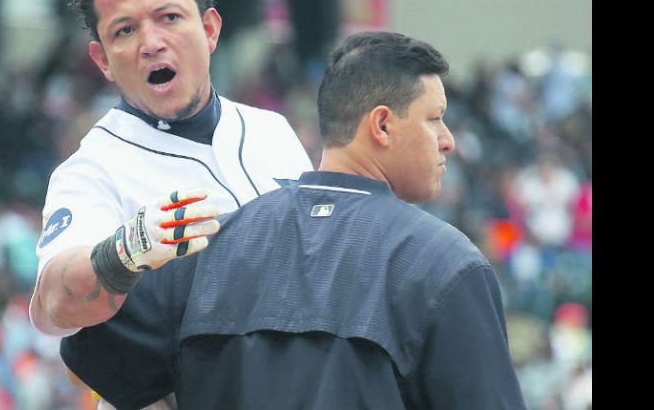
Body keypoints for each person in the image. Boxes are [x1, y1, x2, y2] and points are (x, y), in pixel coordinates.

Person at [60, 31, 528, 410]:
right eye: (435, 119)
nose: (448, 140)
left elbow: (92, 352)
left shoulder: (208, 246)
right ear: (382, 125)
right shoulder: (445, 265)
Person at [27, 0, 312, 407]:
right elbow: (51, 309)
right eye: (124, 31)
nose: (151, 43)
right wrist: (124, 251)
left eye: (169, 18)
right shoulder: (93, 169)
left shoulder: (273, 131)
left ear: (210, 29)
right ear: (102, 60)